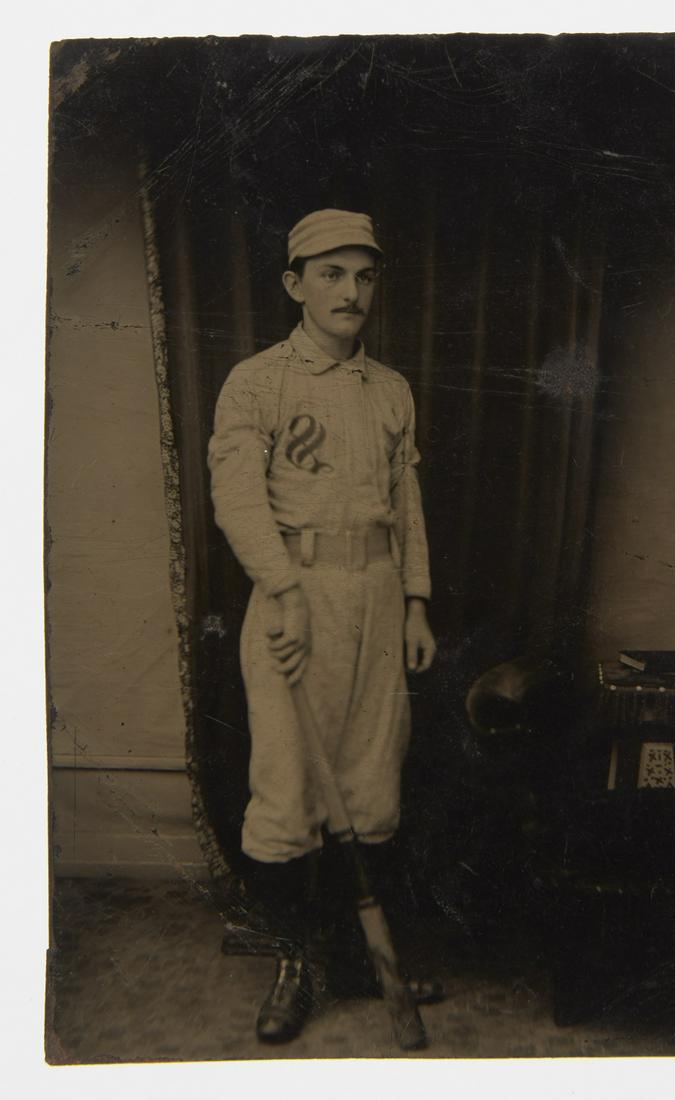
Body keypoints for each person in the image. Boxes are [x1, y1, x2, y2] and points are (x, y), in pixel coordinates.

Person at [208, 209, 436, 1043]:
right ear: (293, 284)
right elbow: (238, 500)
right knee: (289, 787)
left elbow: (405, 504)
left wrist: (414, 602)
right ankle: (295, 964)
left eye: (363, 276)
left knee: (371, 784)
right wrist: (284, 591)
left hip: (375, 594)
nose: (350, 292)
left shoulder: (391, 390)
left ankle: (355, 958)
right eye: (330, 274)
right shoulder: (257, 382)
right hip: (293, 596)